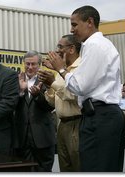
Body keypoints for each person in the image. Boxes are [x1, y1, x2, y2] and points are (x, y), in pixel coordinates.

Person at [47, 6, 125, 172]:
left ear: (90, 22)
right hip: (100, 116)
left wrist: (61, 69)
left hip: (100, 117)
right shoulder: (97, 45)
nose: (71, 29)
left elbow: (80, 86)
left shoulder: (95, 45)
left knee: (96, 168)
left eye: (75, 24)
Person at [38, 34, 82, 172]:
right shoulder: (61, 70)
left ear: (72, 49)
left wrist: (53, 82)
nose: (57, 51)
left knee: (78, 166)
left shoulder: (81, 67)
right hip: (62, 125)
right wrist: (48, 85)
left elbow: (74, 95)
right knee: (65, 168)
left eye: (60, 47)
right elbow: (53, 102)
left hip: (77, 124)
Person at [13, 50, 55, 172]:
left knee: (44, 170)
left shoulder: (48, 80)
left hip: (43, 137)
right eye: (27, 64)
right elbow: (10, 105)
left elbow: (51, 106)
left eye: (33, 64)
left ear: (40, 64)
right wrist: (20, 91)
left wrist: (38, 96)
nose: (30, 67)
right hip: (21, 137)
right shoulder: (15, 80)